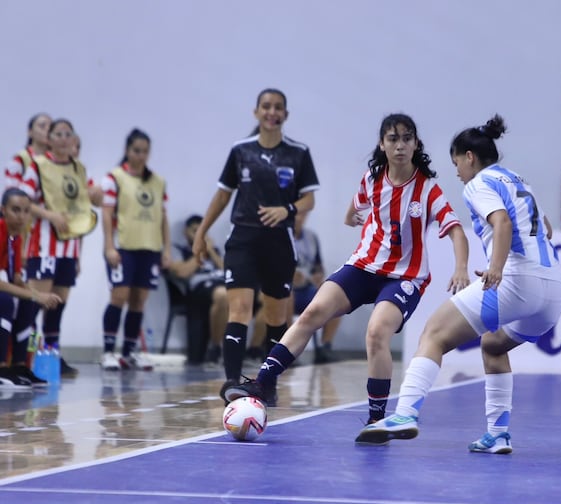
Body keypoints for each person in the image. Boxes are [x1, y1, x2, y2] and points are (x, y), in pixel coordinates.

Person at [225, 113, 471, 436]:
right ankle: (263, 382)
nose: (400, 145)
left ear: (415, 145)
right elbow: (354, 207)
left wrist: (461, 268)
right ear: (382, 144)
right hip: (362, 266)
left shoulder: (427, 189)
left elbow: (456, 232)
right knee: (312, 312)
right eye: (393, 139)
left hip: (404, 277)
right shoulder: (372, 179)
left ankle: (376, 418)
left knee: (376, 332)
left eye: (407, 138)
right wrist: (351, 218)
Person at [356, 115, 561, 453]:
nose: (457, 173)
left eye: (457, 163)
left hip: (516, 281)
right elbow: (547, 230)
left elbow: (501, 223)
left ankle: (405, 414)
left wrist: (496, 268)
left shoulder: (479, 183)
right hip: (553, 290)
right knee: (493, 345)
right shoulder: (517, 180)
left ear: (470, 157)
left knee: (433, 334)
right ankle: (498, 434)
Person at [192, 88, 320, 398]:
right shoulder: (240, 150)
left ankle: (268, 384)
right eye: (266, 106)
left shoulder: (298, 152)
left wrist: (285, 209)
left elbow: (309, 199)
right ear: (256, 112)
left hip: (278, 243)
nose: (271, 112)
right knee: (240, 310)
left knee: (276, 318)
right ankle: (232, 382)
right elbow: (223, 194)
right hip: (243, 239)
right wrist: (201, 232)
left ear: (285, 115)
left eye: (278, 107)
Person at [20, 118, 101, 378]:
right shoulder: (37, 166)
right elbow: (21, 200)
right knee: (35, 302)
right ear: (50, 139)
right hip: (43, 246)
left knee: (59, 305)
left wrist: (97, 197)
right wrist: (49, 214)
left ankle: (51, 356)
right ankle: (24, 357)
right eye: (59, 133)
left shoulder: (79, 168)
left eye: (69, 133)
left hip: (69, 248)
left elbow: (83, 211)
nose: (64, 138)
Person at [99, 129, 171, 371]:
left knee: (139, 300)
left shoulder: (157, 181)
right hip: (123, 247)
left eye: (145, 151)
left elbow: (162, 217)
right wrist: (109, 246)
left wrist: (166, 249)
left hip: (149, 247)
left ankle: (129, 352)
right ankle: (108, 351)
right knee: (119, 296)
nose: (141, 156)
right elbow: (107, 215)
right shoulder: (115, 178)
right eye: (136, 151)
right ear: (127, 151)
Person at [0, 188, 62, 389]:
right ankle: (2, 369)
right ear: (3, 210)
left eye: (26, 211)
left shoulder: (15, 237)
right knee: (6, 302)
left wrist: (38, 295)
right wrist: (36, 294)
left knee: (28, 302)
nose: (22, 216)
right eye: (15, 210)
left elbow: (16, 279)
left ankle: (19, 367)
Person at [167, 214, 228, 365]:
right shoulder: (178, 249)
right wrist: (200, 251)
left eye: (203, 231)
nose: (199, 235)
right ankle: (215, 348)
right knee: (222, 295)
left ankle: (255, 351)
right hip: (198, 290)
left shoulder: (215, 250)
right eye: (195, 231)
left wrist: (211, 252)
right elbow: (182, 272)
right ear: (185, 232)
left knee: (261, 297)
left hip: (221, 283)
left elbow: (228, 272)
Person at [287, 210, 341, 364]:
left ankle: (325, 347)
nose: (300, 218)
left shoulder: (311, 237)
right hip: (287, 289)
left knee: (335, 299)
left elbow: (318, 266)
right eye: (297, 214)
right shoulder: (281, 236)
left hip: (307, 287)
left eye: (303, 214)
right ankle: (288, 349)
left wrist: (318, 276)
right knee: (286, 297)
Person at [4, 113, 52, 190]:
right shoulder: (20, 160)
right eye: (42, 126)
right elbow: (11, 195)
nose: (48, 130)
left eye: (51, 127)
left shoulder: (58, 160)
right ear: (30, 132)